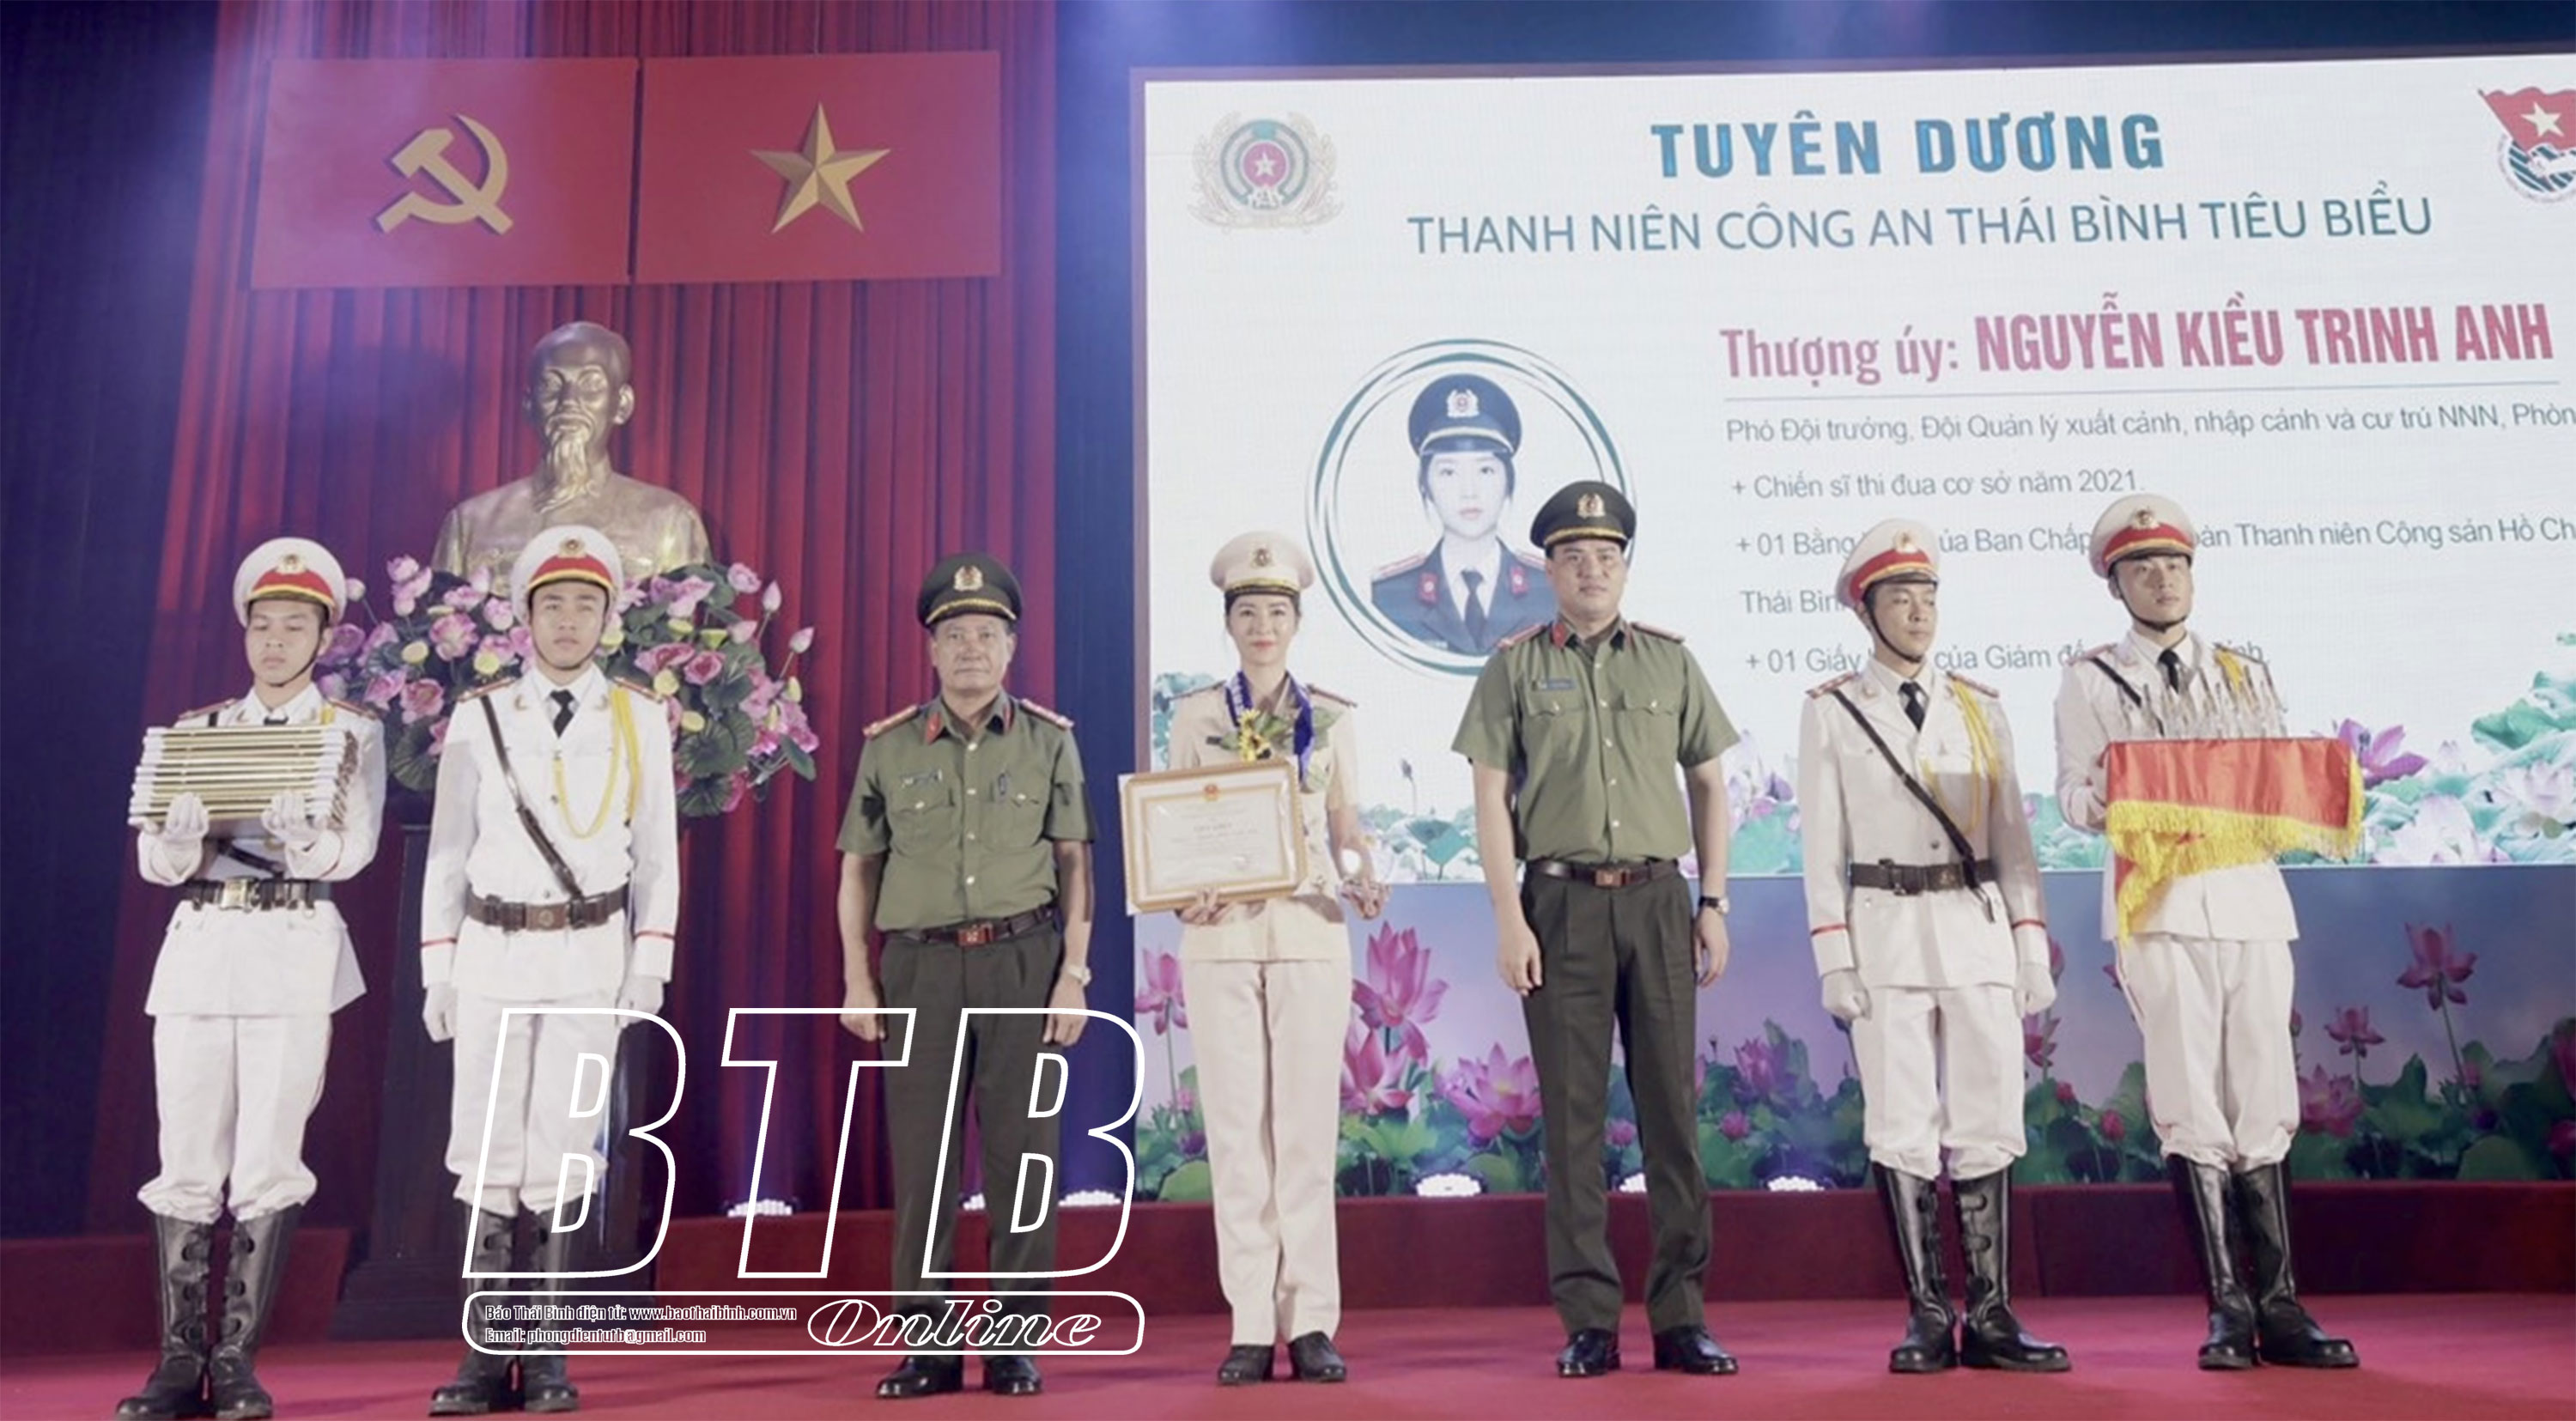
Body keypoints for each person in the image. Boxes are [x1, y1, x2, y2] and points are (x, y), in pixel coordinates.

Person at [2053, 493, 2357, 1370]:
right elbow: (2072, 795)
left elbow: (2271, 780)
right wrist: (2125, 791)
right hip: (2161, 904)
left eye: (2176, 565)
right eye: (2144, 568)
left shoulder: (2243, 672)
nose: (2163, 580)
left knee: (2265, 1089)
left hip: (2250, 898)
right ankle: (2227, 1305)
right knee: (2190, 1096)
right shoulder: (2092, 679)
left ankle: (2282, 1304)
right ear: (2116, 584)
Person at [1451, 480, 1739, 1380]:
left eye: (1606, 556)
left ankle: (1682, 1316)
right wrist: (1508, 917)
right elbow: (1490, 798)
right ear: (1547, 569)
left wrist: (1713, 901)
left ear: (1624, 566)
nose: (1591, 570)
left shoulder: (1669, 662)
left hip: (1657, 901)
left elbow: (1710, 784)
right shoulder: (1512, 668)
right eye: (1573, 557)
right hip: (1560, 904)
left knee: (1672, 1119)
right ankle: (1589, 1320)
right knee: (1573, 1125)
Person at [119, 538, 385, 1421]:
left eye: (294, 626)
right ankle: (175, 1361)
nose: (275, 641)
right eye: (262, 625)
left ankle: (235, 1360)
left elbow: (357, 847)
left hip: (292, 948)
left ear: (324, 636)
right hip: (202, 947)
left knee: (269, 1159)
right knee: (186, 1157)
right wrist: (178, 841)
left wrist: (308, 841)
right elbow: (155, 862)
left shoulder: (351, 731)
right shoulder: (199, 732)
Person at [419, 525, 681, 1415]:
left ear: (609, 619)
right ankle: (483, 1354)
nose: (568, 620)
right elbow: (447, 850)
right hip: (493, 949)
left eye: (585, 605)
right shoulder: (481, 714)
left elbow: (657, 855)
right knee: (488, 1145)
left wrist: (650, 959)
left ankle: (548, 1354)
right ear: (525, 617)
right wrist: (438, 967)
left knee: (565, 1145)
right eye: (553, 604)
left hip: (588, 950)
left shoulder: (639, 716)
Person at [1797, 518, 2069, 1376]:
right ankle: (1925, 1311)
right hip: (1885, 926)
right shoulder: (1834, 709)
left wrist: (2031, 943)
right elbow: (1822, 846)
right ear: (1866, 610)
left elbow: (2014, 839)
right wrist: (1834, 956)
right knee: (1902, 1122)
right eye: (1899, 598)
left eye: (1926, 596)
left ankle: (1991, 1312)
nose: (1918, 612)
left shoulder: (1979, 706)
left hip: (1974, 927)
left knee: (1989, 1115)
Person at [835, 554, 1097, 1401]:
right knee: (924, 1161)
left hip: (1023, 959)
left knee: (1025, 1155)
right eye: (955, 635)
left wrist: (1073, 973)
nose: (972, 649)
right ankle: (930, 1344)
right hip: (919, 965)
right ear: (932, 650)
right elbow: (858, 870)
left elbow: (1075, 862)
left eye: (987, 634)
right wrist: (858, 980)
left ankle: (1015, 1341)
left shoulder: (1049, 740)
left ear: (1011, 647)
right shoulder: (889, 746)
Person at [1165, 532, 1388, 1386]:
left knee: (1304, 1132)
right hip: (1221, 934)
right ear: (1229, 623)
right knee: (1235, 1133)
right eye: (1249, 611)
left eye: (1277, 612)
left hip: (1309, 927)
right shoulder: (1196, 715)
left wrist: (1366, 875)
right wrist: (1182, 893)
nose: (1263, 625)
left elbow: (1347, 824)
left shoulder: (1331, 716)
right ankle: (1251, 1322)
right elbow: (1173, 823)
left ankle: (1313, 1320)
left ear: (1297, 622)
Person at [433, 320, 713, 592]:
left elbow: (693, 621)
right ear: (529, 406)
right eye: (551, 386)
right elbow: (441, 617)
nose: (568, 401)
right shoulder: (470, 524)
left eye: (590, 385)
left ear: (622, 404)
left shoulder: (669, 521)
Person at [1370, 373, 1552, 654]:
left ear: (1508, 481)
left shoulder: (1551, 590)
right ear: (1426, 485)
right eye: (1449, 472)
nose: (1469, 491)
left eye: (1485, 470)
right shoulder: (1390, 596)